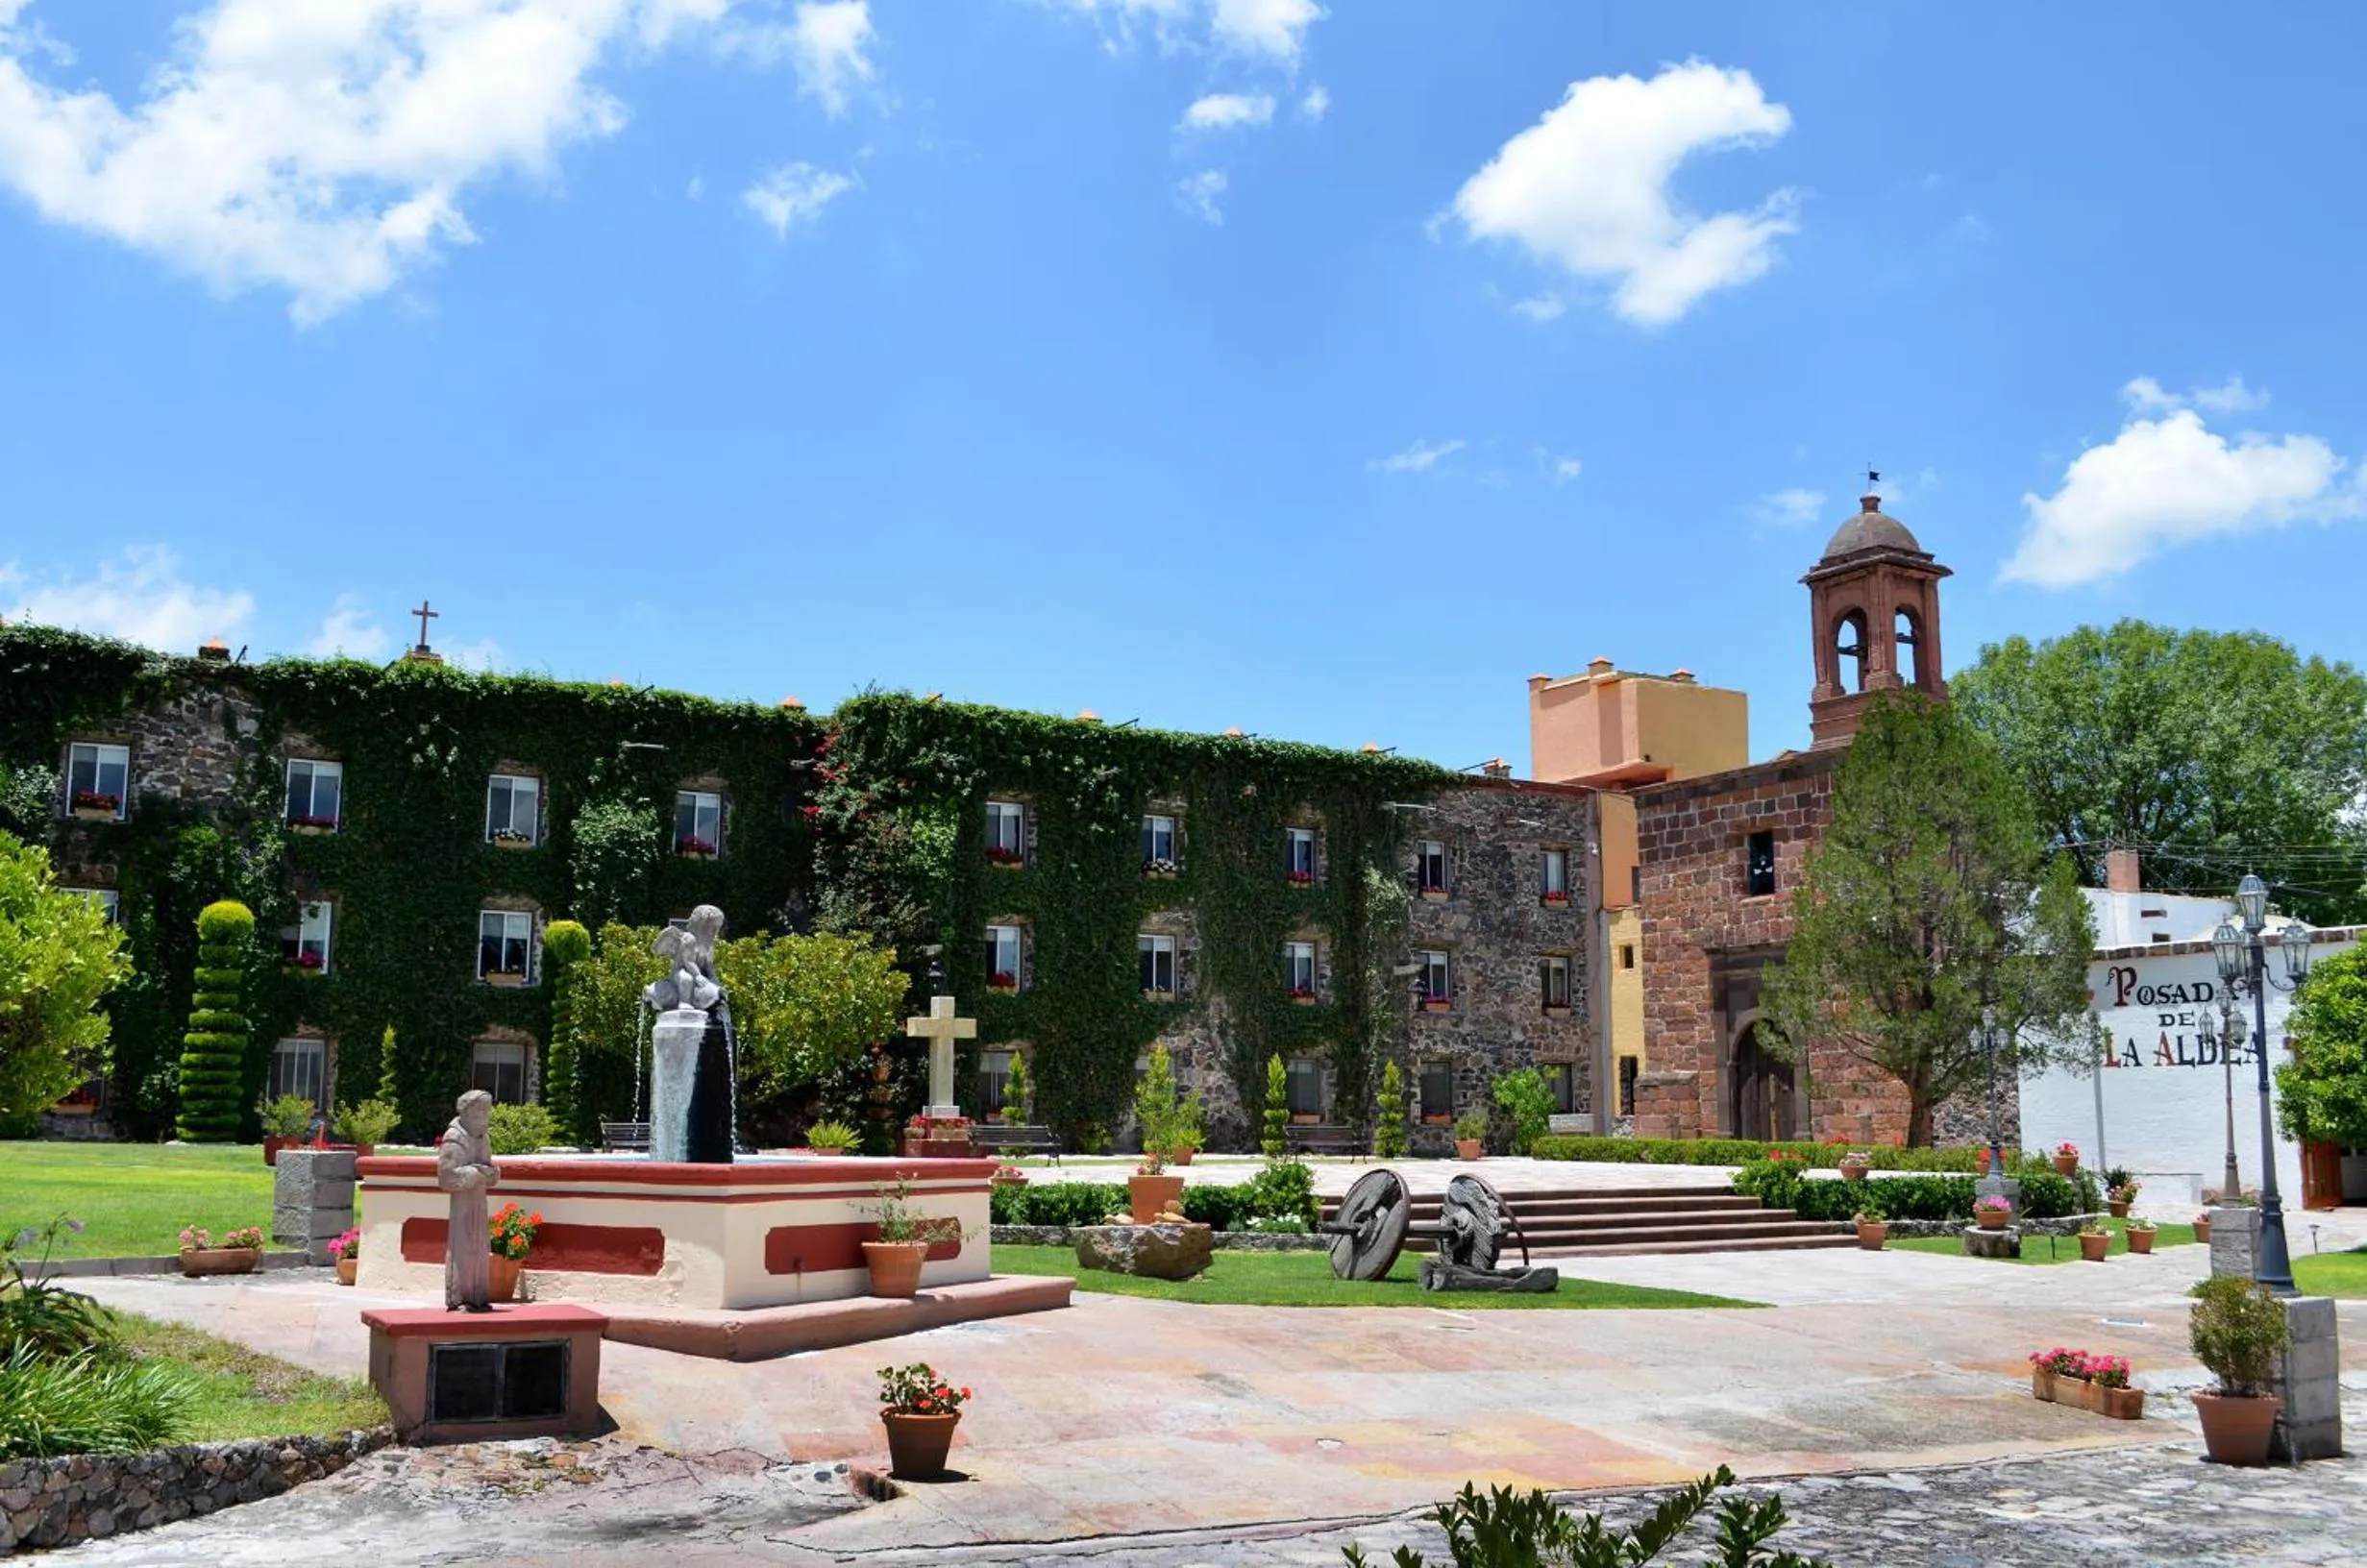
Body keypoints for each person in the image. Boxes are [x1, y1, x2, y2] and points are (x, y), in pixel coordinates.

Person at [436, 1090, 500, 1311]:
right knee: (462, 1248)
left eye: (486, 1111)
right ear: (465, 1112)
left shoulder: (483, 1136)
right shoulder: (454, 1138)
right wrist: (475, 1173)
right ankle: (459, 1297)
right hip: (463, 1203)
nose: (483, 1116)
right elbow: (446, 1177)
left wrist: (491, 1174)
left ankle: (478, 1297)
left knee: (479, 1248)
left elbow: (488, 1166)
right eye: (478, 1111)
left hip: (479, 1201)